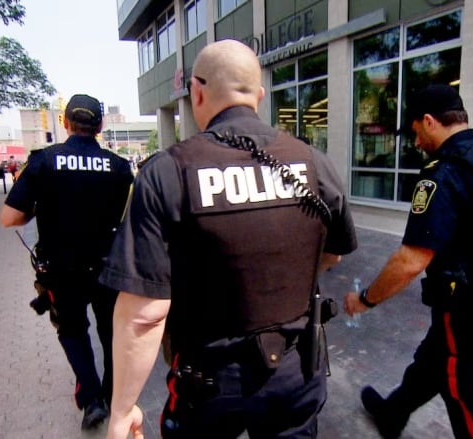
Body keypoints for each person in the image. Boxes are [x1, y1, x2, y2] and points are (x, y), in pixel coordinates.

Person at [99, 39, 358, 439]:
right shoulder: (313, 162)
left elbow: (145, 312)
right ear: (259, 95)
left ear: (197, 91)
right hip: (295, 370)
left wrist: (122, 409)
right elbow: (332, 256)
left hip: (208, 383)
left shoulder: (167, 172)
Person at [344, 84, 473, 439]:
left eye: (417, 131)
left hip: (466, 307)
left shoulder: (446, 172)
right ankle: (393, 413)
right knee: (435, 358)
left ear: (431, 121)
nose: (416, 142)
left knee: (469, 392)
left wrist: (365, 300)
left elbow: (410, 261)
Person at [0, 94, 134, 430]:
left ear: (65, 123)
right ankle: (115, 396)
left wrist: (39, 210)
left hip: (61, 269)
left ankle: (91, 401)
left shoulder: (43, 161)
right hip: (108, 268)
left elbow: (9, 218)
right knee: (112, 333)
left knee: (73, 332)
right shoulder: (119, 167)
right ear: (100, 125)